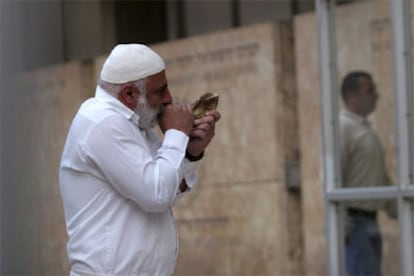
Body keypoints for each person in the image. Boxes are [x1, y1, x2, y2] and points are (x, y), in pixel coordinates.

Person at [59, 43, 221, 275]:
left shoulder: (134, 123)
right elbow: (157, 194)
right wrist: (176, 133)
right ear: (129, 94)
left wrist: (190, 152)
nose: (169, 99)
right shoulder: (101, 122)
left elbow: (170, 189)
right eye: (160, 90)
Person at [339, 71, 396, 276]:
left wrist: (399, 207)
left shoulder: (364, 130)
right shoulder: (342, 128)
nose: (376, 95)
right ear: (352, 96)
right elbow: (332, 177)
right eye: (369, 90)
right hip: (355, 223)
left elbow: (379, 177)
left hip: (369, 222)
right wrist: (342, 222)